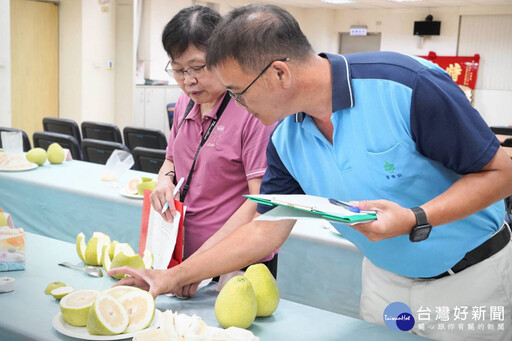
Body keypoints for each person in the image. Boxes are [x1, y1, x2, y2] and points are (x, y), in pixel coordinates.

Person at [110, 5, 512, 340]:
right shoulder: (285, 133)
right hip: (384, 281)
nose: (234, 104)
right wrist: (168, 277)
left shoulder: (406, 86)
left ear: (280, 74)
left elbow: (503, 172)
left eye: (237, 92)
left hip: (470, 280)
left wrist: (415, 219)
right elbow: (265, 226)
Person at [149, 5, 278, 289]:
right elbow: (171, 160)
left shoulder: (252, 111)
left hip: (234, 259)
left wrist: (203, 263)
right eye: (179, 70)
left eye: (197, 67)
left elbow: (260, 202)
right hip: (185, 252)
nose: (188, 80)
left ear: (224, 57)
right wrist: (163, 182)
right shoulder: (185, 102)